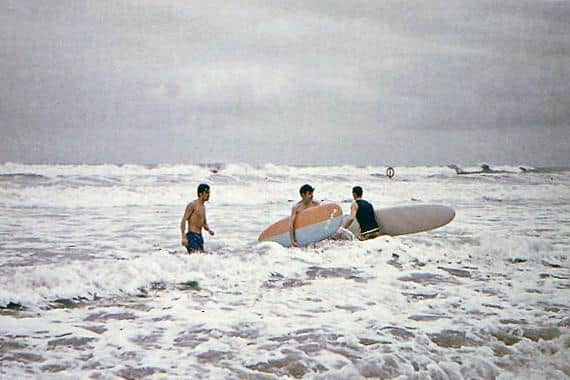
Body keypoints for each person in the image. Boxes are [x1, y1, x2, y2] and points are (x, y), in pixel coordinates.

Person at [180, 183, 215, 253]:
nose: (208, 195)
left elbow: (204, 223)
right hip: (192, 236)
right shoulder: (192, 205)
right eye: (206, 192)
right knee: (199, 256)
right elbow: (183, 220)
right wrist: (183, 237)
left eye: (209, 192)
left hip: (199, 237)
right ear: (200, 193)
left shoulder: (203, 207)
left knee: (199, 258)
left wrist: (209, 230)